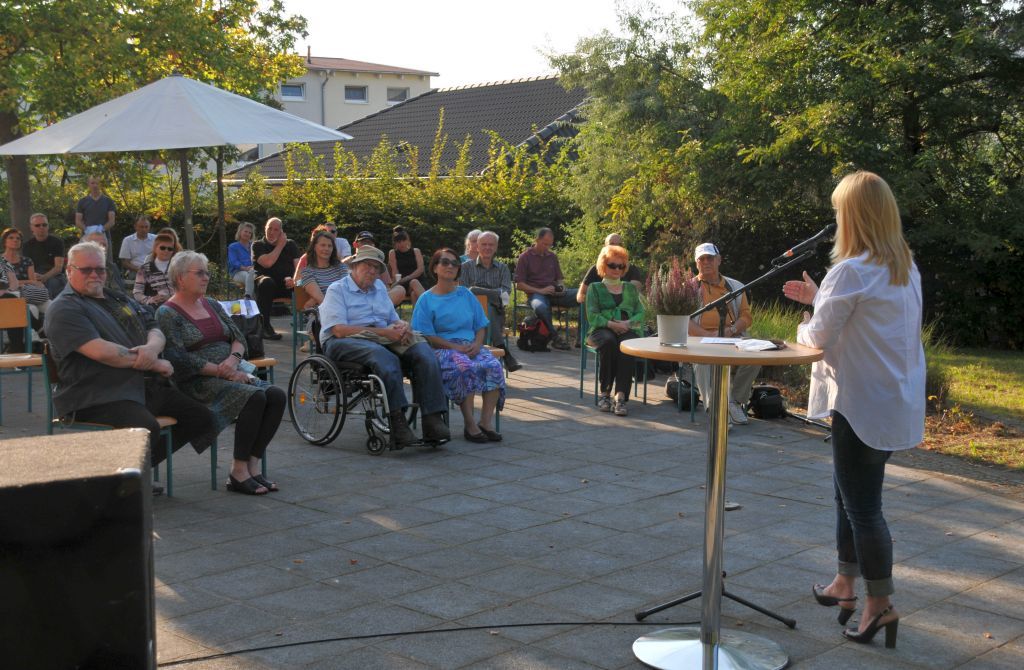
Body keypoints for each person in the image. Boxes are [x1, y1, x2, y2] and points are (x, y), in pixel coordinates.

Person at [783, 171, 924, 649]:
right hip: (888, 402)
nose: (835, 218)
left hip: (861, 403)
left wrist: (805, 324)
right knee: (848, 496)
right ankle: (845, 584)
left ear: (853, 216)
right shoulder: (901, 266)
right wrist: (820, 298)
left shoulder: (851, 269)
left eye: (839, 210)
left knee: (863, 508)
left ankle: (879, 604)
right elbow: (865, 322)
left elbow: (818, 340)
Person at [46, 242, 217, 490]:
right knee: (145, 427)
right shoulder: (65, 308)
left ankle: (126, 474)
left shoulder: (115, 297)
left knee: (201, 417)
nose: (95, 274)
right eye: (86, 270)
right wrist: (155, 362)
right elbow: (103, 353)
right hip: (95, 394)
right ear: (69, 271)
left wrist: (152, 347)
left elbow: (153, 326)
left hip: (139, 387)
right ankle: (122, 481)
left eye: (100, 269)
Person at [157, 251, 286, 496]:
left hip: (231, 371)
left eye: (207, 272)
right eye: (200, 273)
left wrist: (232, 361)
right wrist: (221, 371)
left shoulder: (212, 304)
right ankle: (238, 471)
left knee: (277, 395)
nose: (206, 277)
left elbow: (238, 338)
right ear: (180, 278)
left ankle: (252, 465)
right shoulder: (167, 313)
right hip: (197, 382)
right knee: (254, 397)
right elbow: (178, 359)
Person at [319, 245, 451, 448]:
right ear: (354, 266)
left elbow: (392, 319)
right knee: (384, 357)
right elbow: (338, 330)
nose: (372, 271)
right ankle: (397, 422)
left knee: (424, 350)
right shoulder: (337, 289)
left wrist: (403, 326)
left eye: (376, 267)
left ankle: (432, 418)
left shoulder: (379, 288)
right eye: (367, 266)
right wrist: (385, 333)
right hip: (343, 340)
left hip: (380, 337)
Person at [413, 248, 506, 443]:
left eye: (454, 263)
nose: (450, 266)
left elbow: (481, 324)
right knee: (465, 368)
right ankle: (470, 425)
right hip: (443, 348)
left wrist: (478, 344)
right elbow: (426, 335)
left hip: (471, 345)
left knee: (493, 366)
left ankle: (485, 423)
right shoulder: (426, 300)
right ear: (435, 268)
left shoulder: (465, 294)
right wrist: (454, 347)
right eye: (444, 262)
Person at [689, 242, 759, 425]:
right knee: (703, 361)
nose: (706, 262)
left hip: (732, 336)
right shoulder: (688, 288)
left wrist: (732, 330)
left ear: (718, 260)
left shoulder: (735, 286)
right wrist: (706, 335)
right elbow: (683, 321)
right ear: (696, 264)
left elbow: (746, 316)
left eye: (710, 258)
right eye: (701, 259)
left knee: (756, 356)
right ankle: (715, 410)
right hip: (699, 339)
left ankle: (733, 402)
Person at [585, 245, 644, 416]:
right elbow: (593, 316)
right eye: (612, 265)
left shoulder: (631, 288)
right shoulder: (595, 288)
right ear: (603, 266)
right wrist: (612, 324)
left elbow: (641, 312)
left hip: (627, 327)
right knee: (609, 342)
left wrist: (628, 324)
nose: (617, 269)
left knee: (627, 345)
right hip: (601, 329)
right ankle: (605, 394)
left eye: (621, 266)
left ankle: (621, 397)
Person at [459, 230, 521, 372]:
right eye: (484, 244)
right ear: (477, 247)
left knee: (489, 307)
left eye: (491, 245)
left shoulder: (503, 268)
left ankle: (484, 362)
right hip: (470, 314)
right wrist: (493, 293)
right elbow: (463, 295)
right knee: (485, 306)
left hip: (497, 312)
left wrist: (476, 290)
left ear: (496, 247)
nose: (487, 248)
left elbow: (505, 296)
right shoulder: (466, 267)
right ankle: (502, 349)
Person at [515, 227, 575, 350]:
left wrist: (562, 287)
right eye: (544, 243)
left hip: (554, 293)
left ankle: (583, 338)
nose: (547, 247)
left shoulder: (552, 256)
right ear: (537, 240)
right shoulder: (524, 257)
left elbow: (559, 279)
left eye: (549, 244)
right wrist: (540, 291)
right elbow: (519, 285)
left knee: (584, 294)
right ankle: (555, 337)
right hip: (536, 294)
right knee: (540, 307)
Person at [252, 217, 299, 340]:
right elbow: (267, 263)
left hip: (287, 284)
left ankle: (310, 327)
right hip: (266, 286)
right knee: (267, 282)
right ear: (265, 229)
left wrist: (295, 280)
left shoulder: (291, 244)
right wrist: (280, 245)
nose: (272, 232)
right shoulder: (258, 245)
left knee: (307, 284)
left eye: (276, 229)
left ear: (281, 232)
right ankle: (264, 326)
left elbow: (299, 267)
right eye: (269, 228)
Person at [576, 233, 645, 304]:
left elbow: (635, 293)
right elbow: (581, 295)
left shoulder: (632, 269)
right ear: (605, 247)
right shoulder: (595, 269)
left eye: (619, 245)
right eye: (612, 244)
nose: (616, 247)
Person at [346, 231, 406, 306]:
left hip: (377, 297)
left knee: (400, 290)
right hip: (352, 297)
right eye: (364, 242)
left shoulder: (380, 264)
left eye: (370, 243)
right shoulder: (346, 262)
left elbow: (386, 287)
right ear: (355, 244)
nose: (368, 245)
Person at [2, 227, 51, 315]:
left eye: (18, 238)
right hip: (8, 297)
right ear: (4, 241)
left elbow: (34, 282)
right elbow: (4, 284)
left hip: (29, 295)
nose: (15, 240)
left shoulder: (27, 261)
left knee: (52, 307)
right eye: (11, 237)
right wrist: (27, 282)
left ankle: (44, 328)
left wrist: (22, 283)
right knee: (32, 310)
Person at [296, 229, 346, 306]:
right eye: (323, 245)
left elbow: (346, 292)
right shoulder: (307, 272)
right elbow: (322, 301)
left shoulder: (341, 267)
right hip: (322, 313)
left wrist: (313, 300)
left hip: (344, 308)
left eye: (330, 246)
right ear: (315, 247)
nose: (326, 249)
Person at [22, 213, 66, 297]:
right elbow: (27, 267)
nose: (41, 227)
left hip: (55, 276)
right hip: (35, 276)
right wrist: (34, 277)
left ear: (48, 226)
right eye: (37, 225)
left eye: (44, 225)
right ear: (32, 228)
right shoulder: (27, 245)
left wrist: (44, 277)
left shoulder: (57, 242)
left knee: (52, 284)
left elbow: (58, 268)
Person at [133, 232, 177, 310]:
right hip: (156, 308)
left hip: (177, 305)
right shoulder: (144, 269)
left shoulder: (178, 267)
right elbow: (137, 293)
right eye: (162, 248)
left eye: (170, 249)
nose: (166, 251)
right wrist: (150, 300)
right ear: (155, 248)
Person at [387, 226, 426, 305]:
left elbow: (420, 269)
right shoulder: (393, 253)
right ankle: (433, 307)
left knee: (414, 293)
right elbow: (395, 271)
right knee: (414, 284)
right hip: (402, 283)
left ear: (407, 240)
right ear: (395, 243)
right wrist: (400, 280)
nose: (401, 244)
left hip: (417, 281)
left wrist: (407, 278)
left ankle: (417, 317)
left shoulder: (416, 251)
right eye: (398, 241)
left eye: (403, 240)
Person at [228, 222, 256, 297]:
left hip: (253, 271)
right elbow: (233, 262)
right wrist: (245, 268)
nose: (247, 234)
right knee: (250, 277)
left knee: (256, 277)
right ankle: (248, 298)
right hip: (238, 272)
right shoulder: (233, 247)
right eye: (245, 231)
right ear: (240, 232)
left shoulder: (254, 246)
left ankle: (251, 300)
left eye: (250, 233)